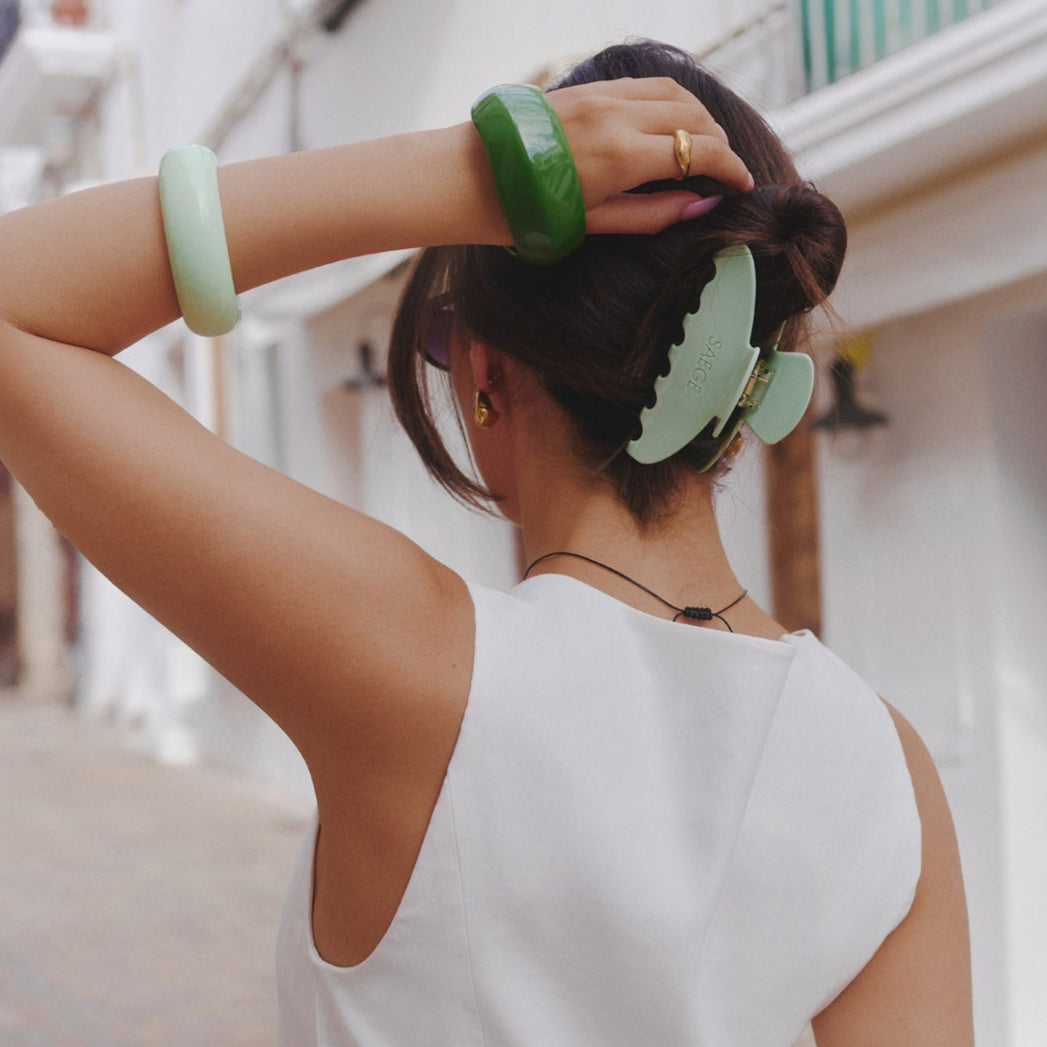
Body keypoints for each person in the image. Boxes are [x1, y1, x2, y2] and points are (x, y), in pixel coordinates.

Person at [0, 37, 972, 1047]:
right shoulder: (886, 767)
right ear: (750, 380)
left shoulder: (419, 670)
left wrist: (470, 174)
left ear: (482, 371)